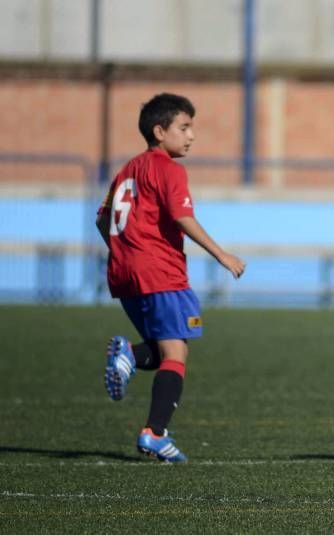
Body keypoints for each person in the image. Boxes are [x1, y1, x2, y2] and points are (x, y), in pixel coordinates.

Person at [95, 93, 246, 463]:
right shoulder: (169, 169)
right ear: (160, 131)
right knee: (176, 353)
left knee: (164, 348)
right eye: (184, 127)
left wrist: (125, 249)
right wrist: (221, 253)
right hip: (161, 272)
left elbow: (102, 219)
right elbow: (182, 217)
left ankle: (137, 375)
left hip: (125, 273)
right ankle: (154, 432)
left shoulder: (128, 169)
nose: (191, 135)